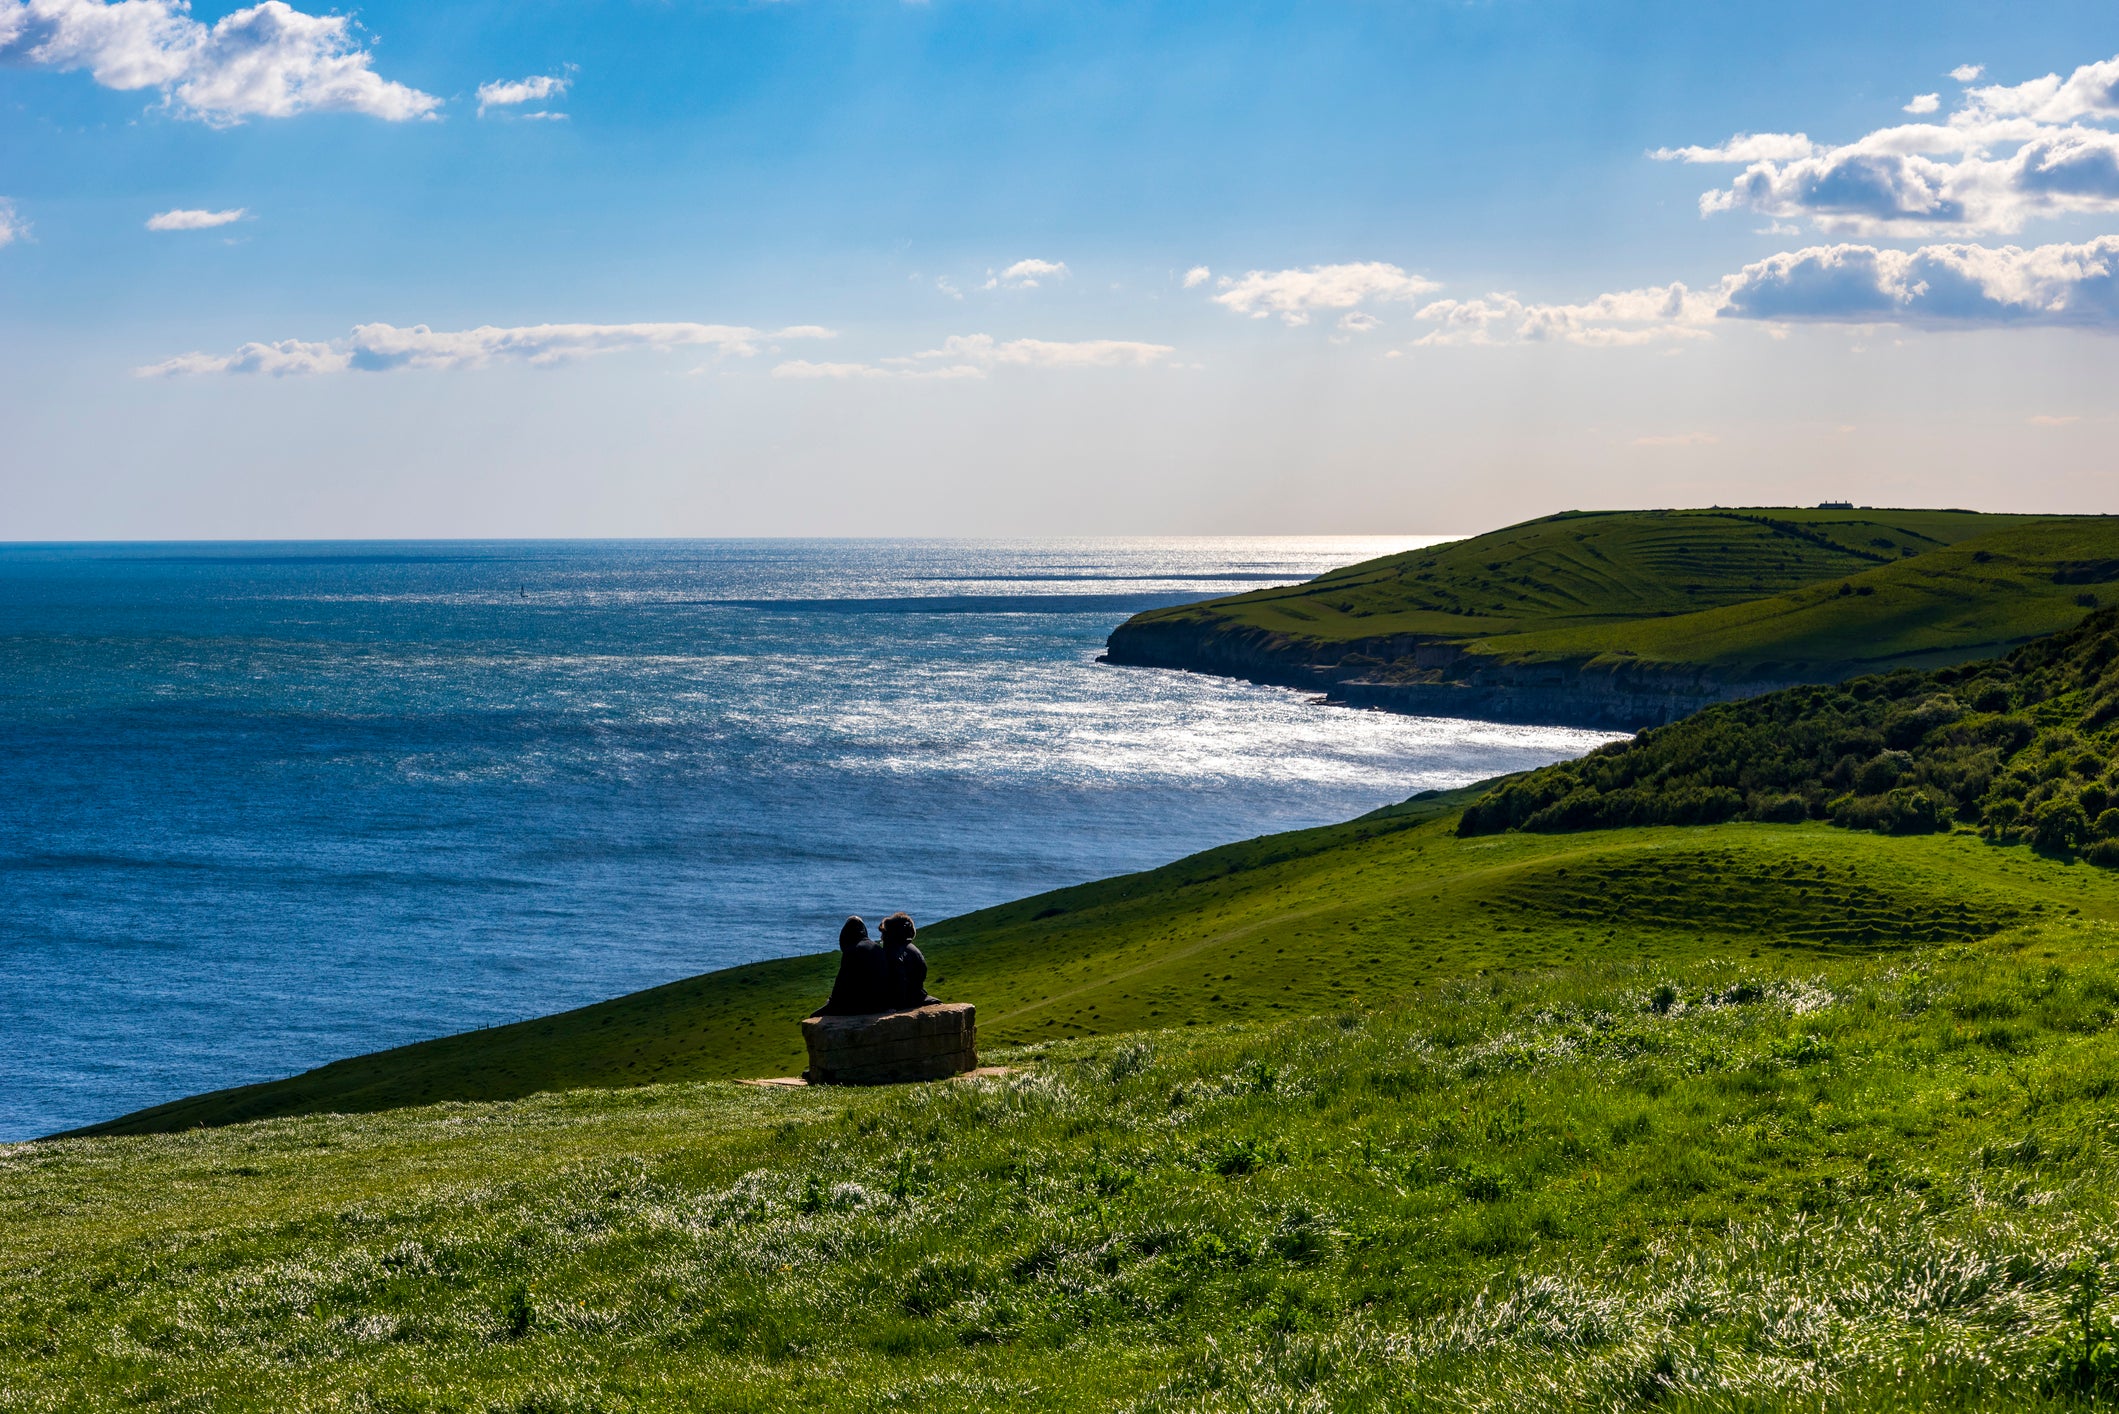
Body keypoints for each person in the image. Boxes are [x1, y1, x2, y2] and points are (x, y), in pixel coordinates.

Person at [813, 916, 889, 1016]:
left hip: (860, 1006)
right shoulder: (877, 947)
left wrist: (831, 1002)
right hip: (880, 1004)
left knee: (814, 1016)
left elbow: (841, 983)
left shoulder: (853, 950)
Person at [880, 911, 938, 1010]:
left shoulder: (892, 952)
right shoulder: (914, 950)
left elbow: (897, 982)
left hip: (903, 1003)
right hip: (917, 997)